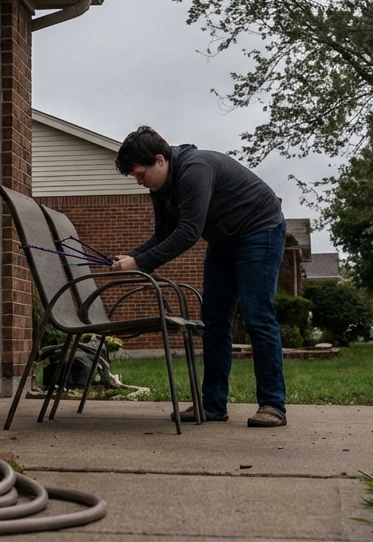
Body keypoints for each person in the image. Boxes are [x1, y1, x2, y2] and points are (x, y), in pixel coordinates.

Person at [110, 126, 288, 427]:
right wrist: (131, 257)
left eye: (141, 173)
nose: (139, 182)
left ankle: (272, 404)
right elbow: (164, 234)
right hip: (223, 240)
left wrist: (140, 262)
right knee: (214, 320)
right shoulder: (161, 188)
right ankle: (213, 405)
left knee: (257, 315)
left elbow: (189, 233)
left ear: (160, 160)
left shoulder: (195, 169)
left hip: (260, 229)